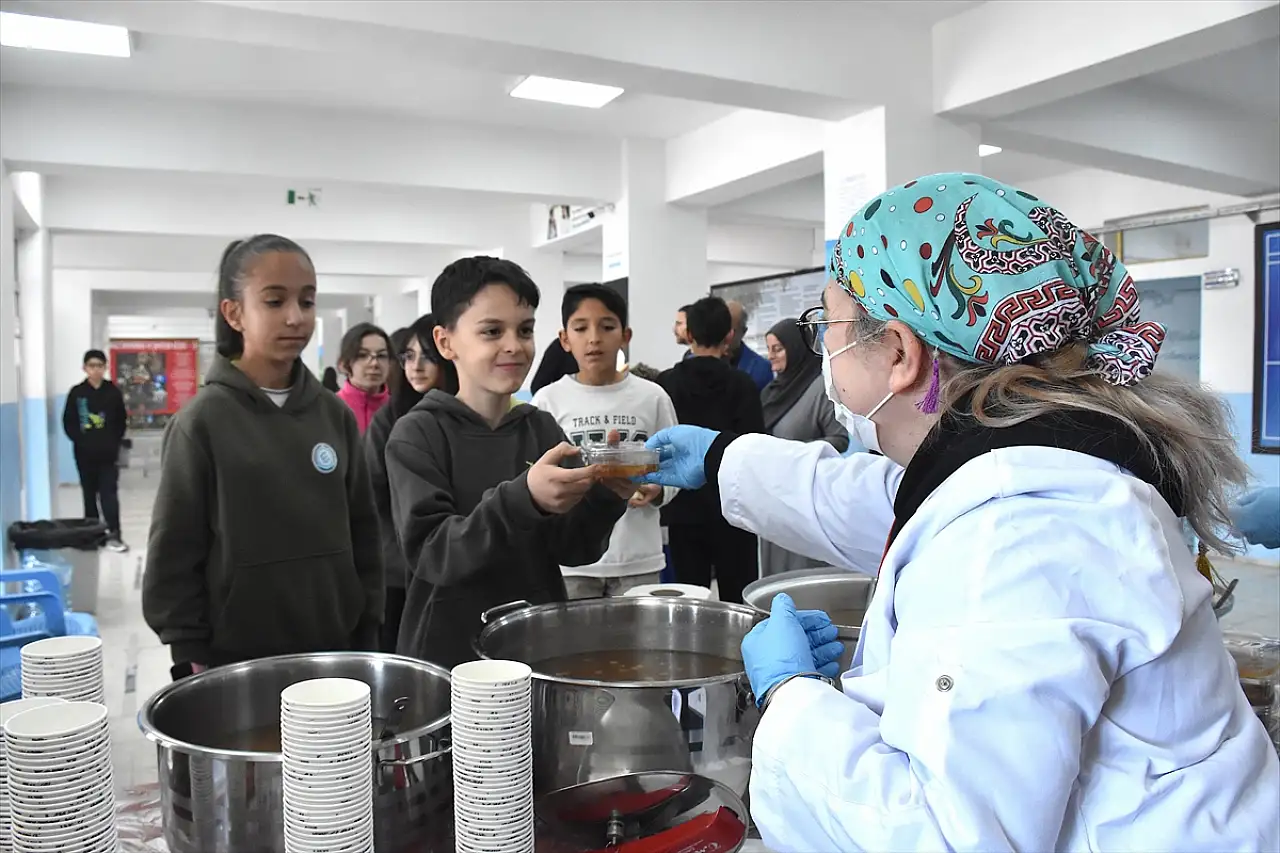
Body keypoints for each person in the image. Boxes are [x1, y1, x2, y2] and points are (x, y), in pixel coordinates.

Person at [637, 174, 1279, 851]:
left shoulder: (1018, 530)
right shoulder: (1028, 465)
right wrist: (722, 459)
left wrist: (792, 694)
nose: (825, 351)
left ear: (900, 352)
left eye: (828, 327)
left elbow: (942, 836)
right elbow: (881, 502)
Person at [143, 234, 384, 680]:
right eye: (274, 301)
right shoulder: (202, 422)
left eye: (307, 301)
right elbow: (174, 552)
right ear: (234, 313)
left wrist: (367, 624)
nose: (295, 317)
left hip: (335, 649)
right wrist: (188, 651)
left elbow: (364, 533)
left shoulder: (333, 416)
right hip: (233, 660)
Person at [385, 257, 630, 668]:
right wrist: (524, 499)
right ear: (445, 342)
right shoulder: (418, 434)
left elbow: (573, 547)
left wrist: (607, 496)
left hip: (537, 644)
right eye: (492, 331)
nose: (514, 345)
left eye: (525, 330)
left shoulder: (541, 428)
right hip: (451, 656)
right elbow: (435, 553)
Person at [532, 284, 679, 598]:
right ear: (564, 339)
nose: (594, 338)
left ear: (625, 336)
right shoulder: (547, 400)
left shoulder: (652, 397)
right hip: (572, 564)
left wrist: (658, 490)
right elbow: (535, 474)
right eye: (580, 328)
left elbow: (675, 463)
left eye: (607, 327)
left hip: (637, 557)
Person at [656, 296, 764, 604]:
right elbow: (754, 448)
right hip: (734, 507)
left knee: (689, 602)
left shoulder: (666, 384)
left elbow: (660, 445)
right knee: (740, 601)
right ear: (729, 335)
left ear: (688, 334)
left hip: (682, 508)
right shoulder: (743, 385)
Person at [365, 315, 458, 653]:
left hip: (453, 560)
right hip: (398, 567)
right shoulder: (389, 419)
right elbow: (373, 494)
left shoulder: (463, 416)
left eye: (426, 356)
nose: (415, 366)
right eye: (408, 356)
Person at [759, 318, 847, 575]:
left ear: (795, 348)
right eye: (769, 349)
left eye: (778, 349)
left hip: (805, 501)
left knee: (801, 577)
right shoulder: (771, 392)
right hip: (773, 497)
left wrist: (791, 454)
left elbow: (839, 439)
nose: (771, 356)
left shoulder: (820, 388)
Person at [62, 349, 129, 553]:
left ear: (105, 367)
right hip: (84, 454)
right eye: (92, 366)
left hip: (108, 455)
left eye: (100, 365)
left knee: (109, 494)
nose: (96, 370)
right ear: (85, 368)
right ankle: (92, 535)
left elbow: (121, 421)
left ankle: (114, 534)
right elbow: (69, 422)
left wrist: (113, 442)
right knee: (89, 494)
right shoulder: (77, 393)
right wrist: (81, 441)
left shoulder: (113, 392)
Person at [335, 322, 393, 434]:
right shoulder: (330, 408)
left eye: (381, 356)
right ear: (344, 363)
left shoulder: (399, 410)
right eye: (362, 355)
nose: (374, 363)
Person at [724, 300, 775, 391]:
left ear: (743, 332)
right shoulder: (702, 361)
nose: (725, 336)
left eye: (731, 331)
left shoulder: (761, 369)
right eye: (722, 328)